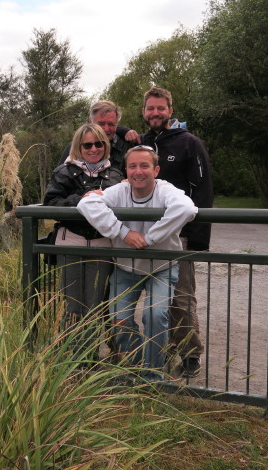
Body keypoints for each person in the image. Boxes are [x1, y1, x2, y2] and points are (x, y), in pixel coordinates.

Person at [77, 145, 197, 381]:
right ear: (126, 171)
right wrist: (124, 233)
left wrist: (150, 238)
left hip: (161, 267)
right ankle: (140, 364)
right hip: (126, 267)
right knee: (119, 319)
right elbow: (86, 204)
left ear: (156, 170)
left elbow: (186, 208)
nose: (138, 171)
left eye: (144, 166)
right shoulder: (119, 191)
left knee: (155, 316)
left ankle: (151, 377)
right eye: (132, 166)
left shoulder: (166, 190)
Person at [140, 86, 214, 378]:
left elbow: (203, 190)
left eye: (160, 108)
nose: (155, 113)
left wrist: (198, 237)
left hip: (178, 235)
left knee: (181, 297)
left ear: (170, 111)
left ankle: (190, 352)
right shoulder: (140, 144)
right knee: (151, 296)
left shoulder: (189, 143)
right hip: (143, 235)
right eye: (150, 108)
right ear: (144, 112)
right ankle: (157, 349)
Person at [43, 123, 124, 362]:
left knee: (94, 304)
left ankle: (89, 359)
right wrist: (82, 200)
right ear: (79, 146)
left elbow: (119, 207)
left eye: (99, 143)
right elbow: (51, 205)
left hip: (101, 245)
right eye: (87, 144)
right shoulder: (64, 173)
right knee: (72, 306)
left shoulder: (115, 176)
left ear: (105, 145)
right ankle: (75, 359)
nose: (93, 149)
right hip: (71, 244)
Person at [57, 100, 139, 175]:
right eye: (101, 124)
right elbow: (58, 179)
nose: (106, 129)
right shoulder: (74, 147)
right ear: (90, 122)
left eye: (111, 124)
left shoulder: (127, 148)